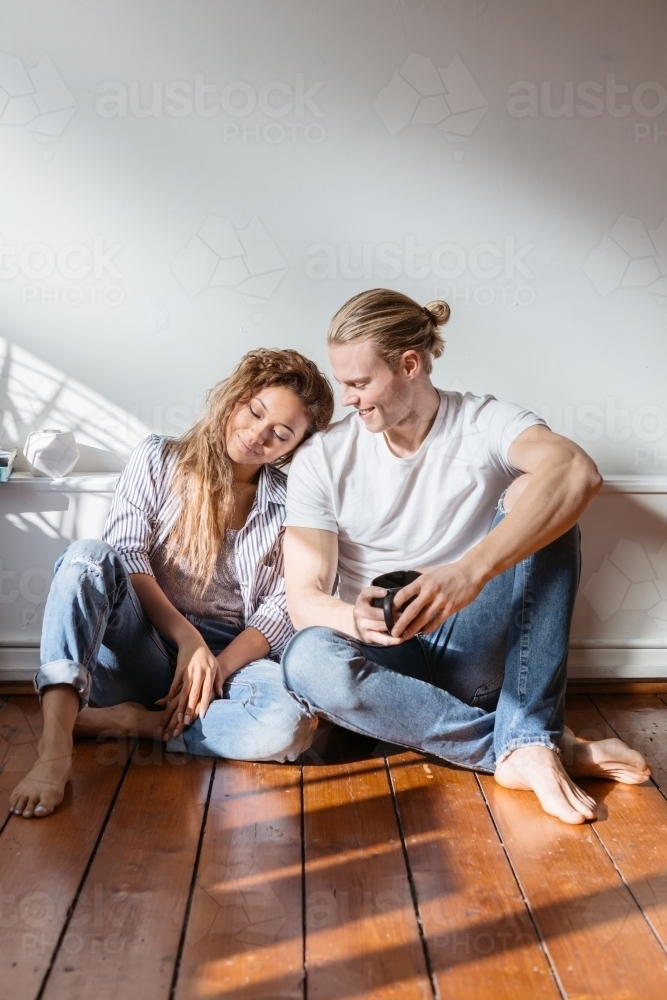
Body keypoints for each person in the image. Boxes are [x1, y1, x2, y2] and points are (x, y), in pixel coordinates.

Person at [281, 289, 650, 825]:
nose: (348, 399)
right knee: (306, 659)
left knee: (541, 497)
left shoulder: (485, 421)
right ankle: (529, 746)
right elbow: (303, 599)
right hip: (388, 662)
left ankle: (526, 738)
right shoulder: (322, 458)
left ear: (409, 365)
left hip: (476, 645)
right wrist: (353, 619)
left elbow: (578, 472)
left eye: (360, 383)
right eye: (343, 383)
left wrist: (467, 574)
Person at [9, 348, 334, 818]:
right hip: (142, 641)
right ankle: (54, 749)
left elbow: (282, 609)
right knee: (86, 559)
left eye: (280, 434)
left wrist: (215, 668)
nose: (256, 435)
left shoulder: (289, 504)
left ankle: (133, 723)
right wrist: (187, 638)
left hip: (229, 660)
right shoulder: (158, 457)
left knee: (289, 726)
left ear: (295, 447)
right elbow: (127, 554)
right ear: (237, 398)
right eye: (255, 412)